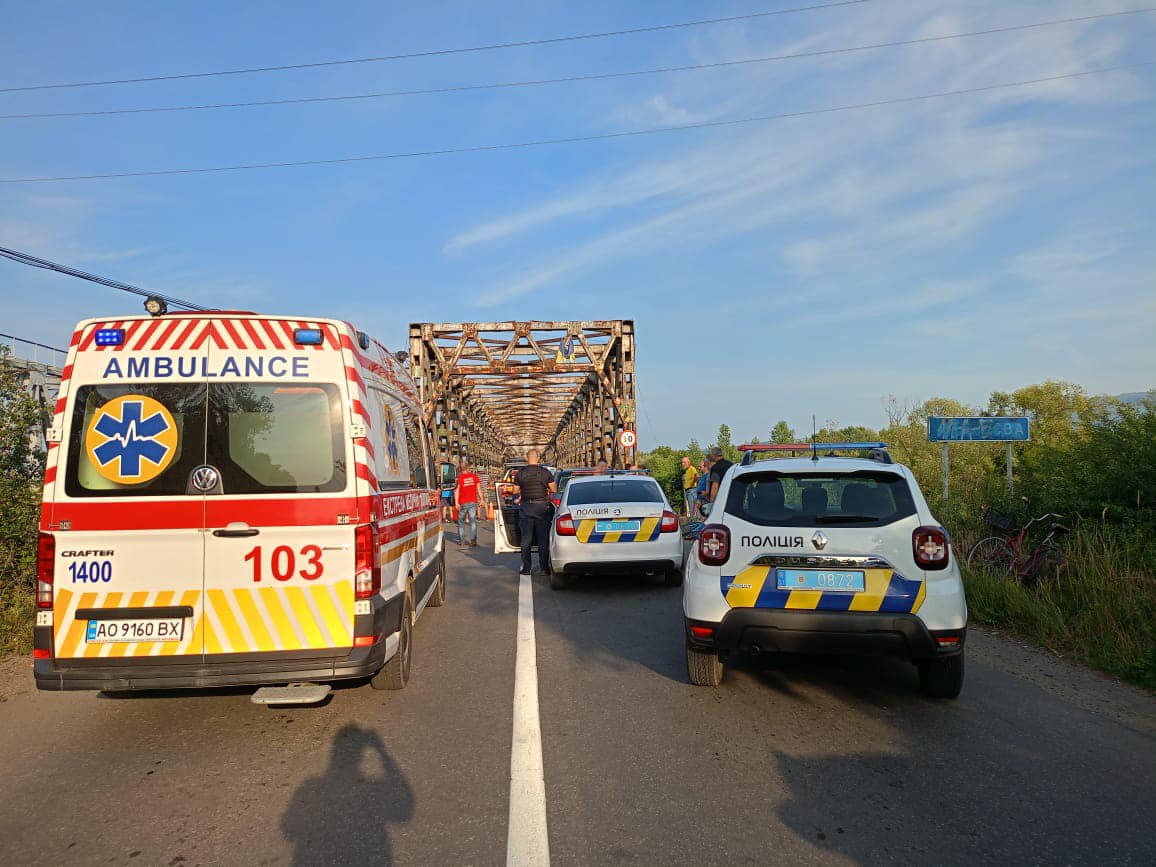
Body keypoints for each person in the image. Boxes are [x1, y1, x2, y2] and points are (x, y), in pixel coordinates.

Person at [514, 449, 556, 576]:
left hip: (526, 508)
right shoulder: (545, 472)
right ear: (538, 458)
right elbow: (554, 489)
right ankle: (544, 568)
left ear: (527, 458)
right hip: (542, 508)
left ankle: (526, 568)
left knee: (526, 540)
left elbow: (515, 491)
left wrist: (521, 495)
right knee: (543, 540)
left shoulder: (520, 473)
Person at [454, 461, 482, 547]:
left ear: (460, 469)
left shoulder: (459, 478)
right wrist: (482, 499)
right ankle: (473, 540)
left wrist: (456, 503)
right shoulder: (474, 477)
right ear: (468, 468)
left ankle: (462, 541)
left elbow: (456, 491)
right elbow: (479, 489)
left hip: (463, 502)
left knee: (461, 522)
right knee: (473, 521)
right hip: (473, 502)